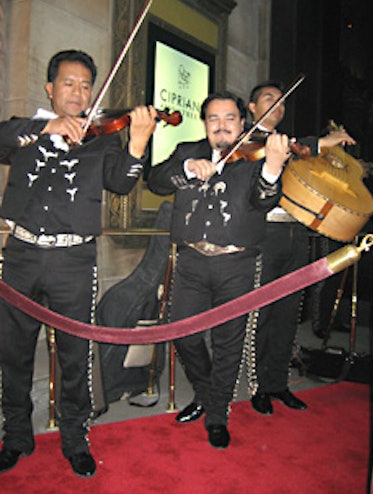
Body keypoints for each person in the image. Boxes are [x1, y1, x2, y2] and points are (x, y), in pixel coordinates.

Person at [0, 49, 157, 477]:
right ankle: (16, 433)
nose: (79, 92)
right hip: (22, 256)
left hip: (74, 259)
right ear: (50, 89)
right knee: (12, 351)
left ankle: (74, 435)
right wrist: (45, 127)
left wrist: (137, 143)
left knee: (75, 353)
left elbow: (121, 183)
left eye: (87, 85)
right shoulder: (24, 131)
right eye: (69, 83)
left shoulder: (103, 138)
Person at [147, 91, 290, 449]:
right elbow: (155, 180)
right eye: (214, 119)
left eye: (230, 118)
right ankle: (208, 393)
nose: (222, 126)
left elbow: (264, 199)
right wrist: (185, 169)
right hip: (192, 259)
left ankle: (216, 414)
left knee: (228, 342)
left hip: (237, 263)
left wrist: (273, 167)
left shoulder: (255, 158)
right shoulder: (187, 150)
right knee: (184, 334)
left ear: (243, 123)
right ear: (205, 123)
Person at [247, 80, 356, 416]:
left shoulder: (291, 143)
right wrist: (323, 141)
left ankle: (278, 382)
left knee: (288, 312)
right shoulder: (245, 139)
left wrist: (333, 151)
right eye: (269, 99)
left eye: (282, 102)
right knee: (261, 314)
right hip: (263, 235)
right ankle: (258, 386)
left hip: (296, 233)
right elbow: (302, 146)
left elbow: (307, 151)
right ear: (252, 107)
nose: (278, 105)